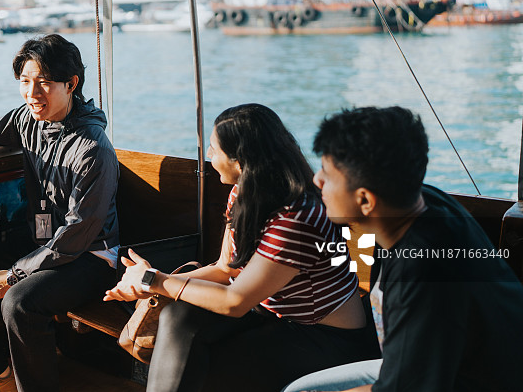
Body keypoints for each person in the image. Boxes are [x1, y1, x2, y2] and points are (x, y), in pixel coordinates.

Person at [105, 104, 380, 392]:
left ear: (240, 160)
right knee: (178, 316)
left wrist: (155, 280)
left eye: (214, 150)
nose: (209, 156)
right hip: (271, 315)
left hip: (324, 338)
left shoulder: (296, 217)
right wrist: (150, 283)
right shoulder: (243, 194)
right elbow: (225, 269)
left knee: (212, 365)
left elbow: (234, 302)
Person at [282, 106, 523, 392]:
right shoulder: (427, 202)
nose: (316, 180)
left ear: (366, 200)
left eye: (327, 173)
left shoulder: (421, 273)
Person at [0, 34, 120, 392]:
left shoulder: (93, 149)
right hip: (42, 243)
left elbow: (78, 233)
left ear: (71, 84)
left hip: (90, 257)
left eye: (45, 83)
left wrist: (15, 275)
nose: (33, 93)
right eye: (25, 82)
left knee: (19, 302)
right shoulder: (29, 119)